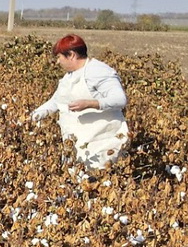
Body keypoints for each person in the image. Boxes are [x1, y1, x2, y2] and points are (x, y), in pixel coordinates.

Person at [30, 34, 129, 171]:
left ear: (71, 55)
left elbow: (119, 99)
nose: (58, 62)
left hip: (102, 142)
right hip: (76, 143)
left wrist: (90, 103)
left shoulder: (98, 71)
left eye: (59, 57)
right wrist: (36, 115)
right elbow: (56, 102)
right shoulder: (69, 76)